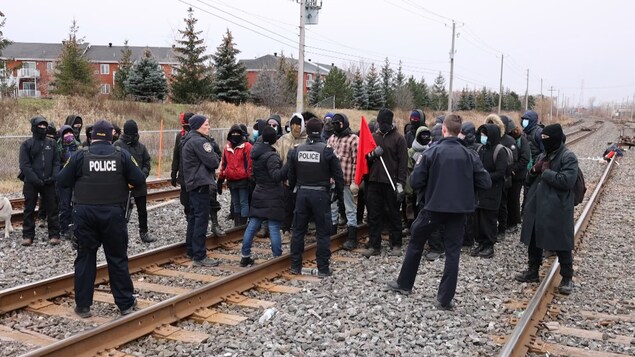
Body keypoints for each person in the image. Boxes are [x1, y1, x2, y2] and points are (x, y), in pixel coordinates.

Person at [386, 114, 492, 310]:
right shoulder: (470, 155)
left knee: (416, 242)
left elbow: (415, 182)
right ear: (459, 131)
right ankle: (444, 299)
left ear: (443, 130)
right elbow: (485, 182)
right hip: (459, 212)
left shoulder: (431, 153)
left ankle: (405, 284)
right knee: (453, 253)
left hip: (432, 209)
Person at [56, 119, 145, 318]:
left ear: (92, 136)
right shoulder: (121, 155)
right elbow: (139, 179)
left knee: (85, 258)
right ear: (111, 135)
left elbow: (61, 180)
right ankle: (125, 304)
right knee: (117, 259)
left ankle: (83, 306)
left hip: (85, 214)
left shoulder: (80, 155)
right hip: (114, 214)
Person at [515, 124, 578, 295]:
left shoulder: (568, 157)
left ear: (556, 139)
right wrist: (534, 171)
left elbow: (567, 181)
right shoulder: (544, 155)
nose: (543, 142)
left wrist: (546, 172)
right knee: (534, 239)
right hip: (538, 203)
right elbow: (529, 179)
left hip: (557, 206)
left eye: (546, 139)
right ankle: (532, 271)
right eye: (542, 139)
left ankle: (567, 277)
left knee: (561, 242)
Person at [287, 118, 344, 277]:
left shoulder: (297, 150)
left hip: (302, 194)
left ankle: (295, 266)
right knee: (323, 233)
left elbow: (291, 176)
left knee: (298, 231)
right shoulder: (327, 150)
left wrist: (293, 193)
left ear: (307, 130)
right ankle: (323, 268)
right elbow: (339, 177)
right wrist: (338, 196)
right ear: (320, 130)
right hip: (320, 195)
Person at [361, 109, 408, 257]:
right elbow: (365, 159)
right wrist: (373, 155)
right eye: (381, 123)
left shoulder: (399, 139)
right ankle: (375, 245)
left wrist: (400, 184)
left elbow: (402, 164)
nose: (383, 126)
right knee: (374, 215)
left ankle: (396, 243)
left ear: (391, 123)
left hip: (391, 182)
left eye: (386, 123)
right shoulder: (373, 138)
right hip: (374, 182)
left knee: (394, 214)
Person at [239, 126, 288, 266]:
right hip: (272, 194)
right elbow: (276, 176)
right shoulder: (271, 156)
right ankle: (277, 257)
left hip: (259, 192)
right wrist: (288, 163)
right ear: (274, 139)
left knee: (253, 224)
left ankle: (245, 255)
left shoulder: (256, 153)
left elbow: (254, 175)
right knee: (273, 226)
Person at [181, 115, 220, 267]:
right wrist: (215, 155)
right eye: (206, 124)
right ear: (198, 126)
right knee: (201, 219)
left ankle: (191, 250)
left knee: (193, 217)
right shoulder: (200, 142)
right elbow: (214, 161)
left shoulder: (188, 140)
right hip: (200, 183)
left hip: (192, 184)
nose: (209, 127)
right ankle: (200, 255)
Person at [19, 116, 61, 246]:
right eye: (40, 126)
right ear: (34, 128)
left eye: (44, 126)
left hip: (49, 182)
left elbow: (56, 162)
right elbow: (24, 165)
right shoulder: (26, 145)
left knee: (52, 208)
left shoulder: (52, 143)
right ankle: (27, 235)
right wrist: (35, 179)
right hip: (31, 182)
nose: (42, 128)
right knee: (29, 208)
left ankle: (54, 234)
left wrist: (53, 177)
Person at [114, 119, 156, 243]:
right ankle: (119, 234)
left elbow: (147, 163)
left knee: (142, 211)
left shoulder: (141, 147)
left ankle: (144, 232)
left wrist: (142, 176)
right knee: (121, 211)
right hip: (123, 186)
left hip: (140, 185)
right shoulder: (117, 145)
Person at [471, 122, 507, 258]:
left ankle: (489, 245)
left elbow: (500, 172)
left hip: (493, 191)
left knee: (489, 219)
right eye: (481, 134)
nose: (482, 137)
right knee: (478, 218)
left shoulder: (499, 151)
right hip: (480, 191)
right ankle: (481, 242)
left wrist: (484, 177)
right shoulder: (481, 149)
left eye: (485, 134)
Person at [326, 113, 359, 249]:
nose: (335, 126)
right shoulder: (331, 139)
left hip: (347, 181)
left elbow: (357, 162)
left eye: (338, 123)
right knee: (332, 208)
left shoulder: (354, 140)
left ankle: (352, 238)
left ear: (344, 123)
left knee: (350, 209)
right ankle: (332, 234)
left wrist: (355, 181)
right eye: (334, 123)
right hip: (333, 180)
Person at [218, 124, 253, 226]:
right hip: (231, 180)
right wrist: (220, 179)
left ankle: (242, 225)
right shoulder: (227, 148)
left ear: (241, 134)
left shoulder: (247, 146)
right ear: (230, 134)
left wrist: (250, 177)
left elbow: (250, 163)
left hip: (244, 180)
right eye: (233, 133)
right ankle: (237, 224)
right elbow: (224, 164)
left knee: (243, 202)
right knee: (235, 202)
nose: (235, 135)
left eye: (237, 133)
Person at [56, 125, 82, 240]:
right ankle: (64, 228)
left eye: (70, 133)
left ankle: (74, 226)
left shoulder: (78, 147)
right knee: (65, 205)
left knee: (75, 204)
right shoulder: (58, 148)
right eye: (65, 133)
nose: (68, 135)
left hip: (76, 180)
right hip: (63, 180)